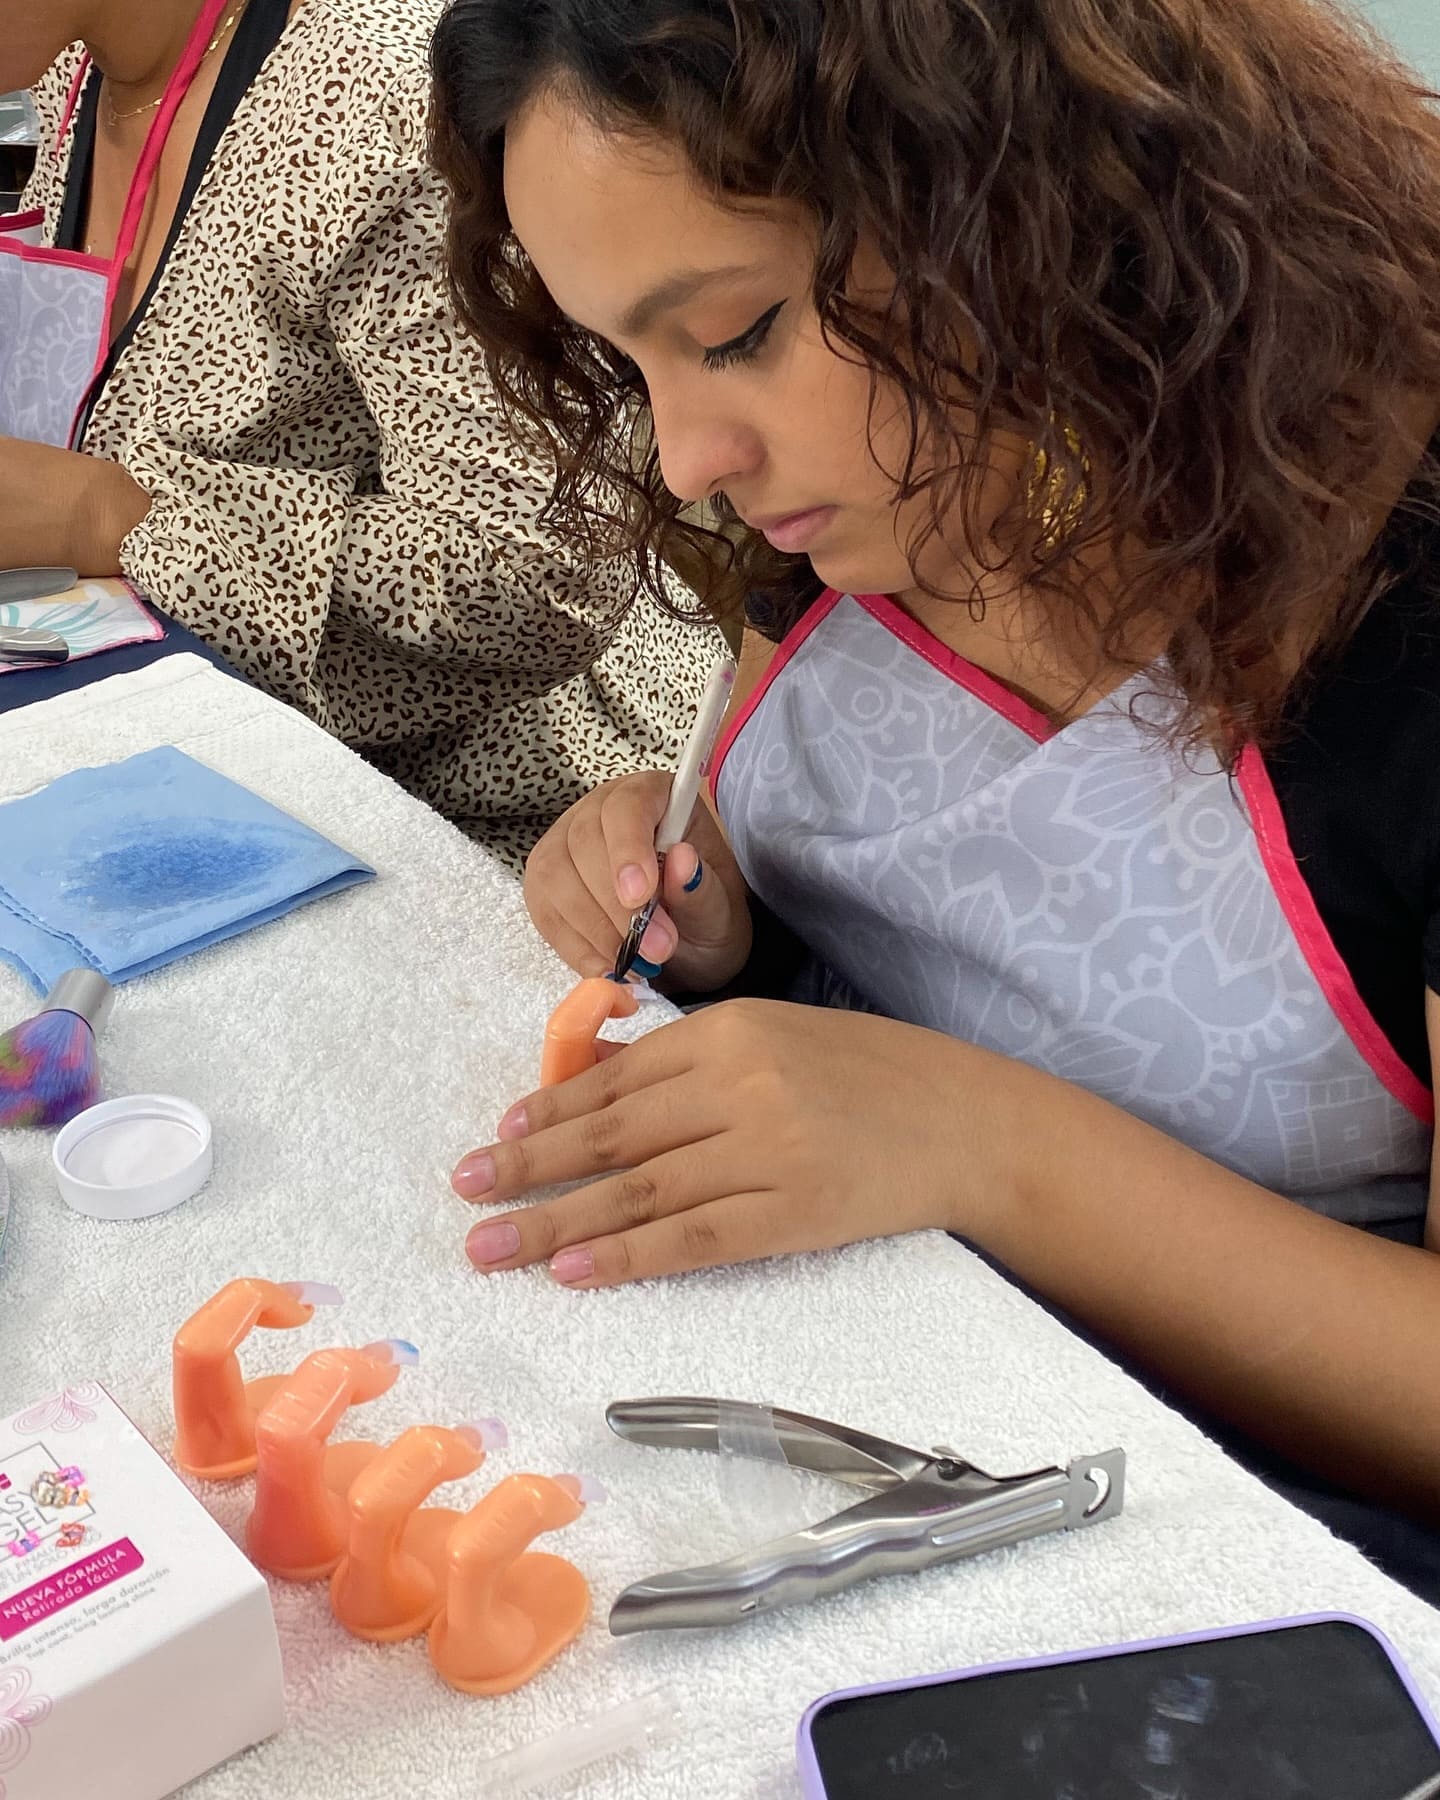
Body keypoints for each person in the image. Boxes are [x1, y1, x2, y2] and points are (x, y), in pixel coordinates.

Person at [430, 0, 1440, 1589]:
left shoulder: (1403, 620)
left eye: (738, 330)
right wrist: (726, 934)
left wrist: (976, 1144)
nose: (685, 456)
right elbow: (937, 918)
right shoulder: (860, 512)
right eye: (627, 358)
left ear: (1024, 205)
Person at [0, 0, 721, 864]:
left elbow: (545, 570)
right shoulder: (77, 76)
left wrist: (113, 517)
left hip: (529, 826)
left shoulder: (378, 101)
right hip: (229, 755)